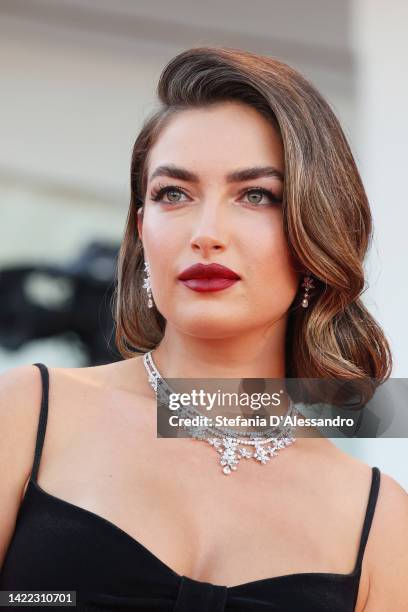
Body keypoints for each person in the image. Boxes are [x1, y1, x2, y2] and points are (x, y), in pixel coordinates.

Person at [0, 46, 407, 612]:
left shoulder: (381, 520)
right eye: (174, 194)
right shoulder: (25, 414)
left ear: (315, 232)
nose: (207, 232)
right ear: (142, 229)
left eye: (256, 195)